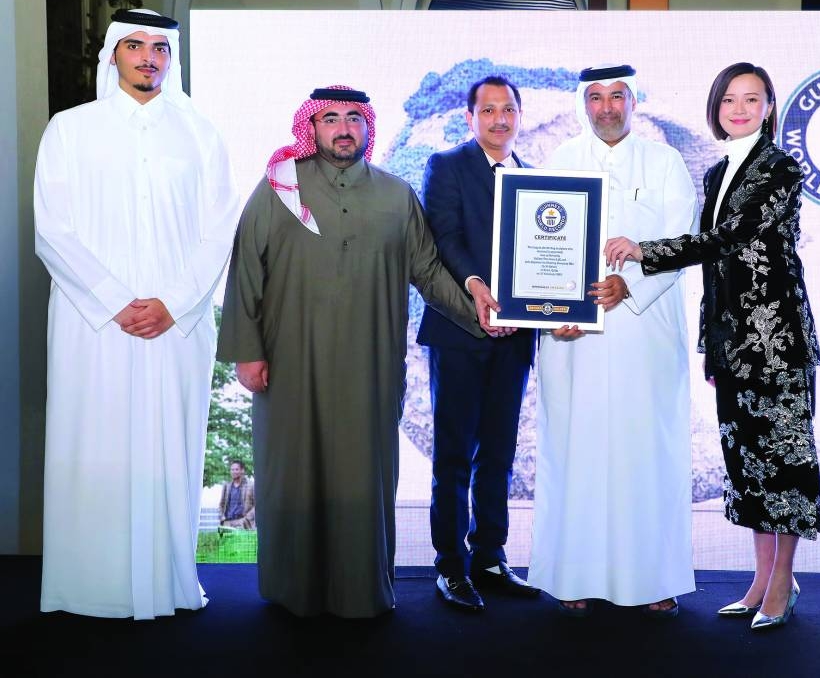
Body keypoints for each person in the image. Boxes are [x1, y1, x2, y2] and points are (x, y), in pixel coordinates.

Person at [216, 85, 488, 619]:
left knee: (364, 477)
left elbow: (429, 272)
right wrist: (247, 352)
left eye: (354, 119)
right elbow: (246, 267)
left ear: (368, 128)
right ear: (311, 127)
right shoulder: (279, 189)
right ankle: (293, 589)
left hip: (371, 363)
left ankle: (362, 591)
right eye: (331, 119)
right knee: (292, 471)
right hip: (290, 362)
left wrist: (479, 315)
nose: (343, 128)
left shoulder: (395, 193)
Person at [33, 9, 241, 619]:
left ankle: (167, 583)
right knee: (92, 449)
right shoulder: (70, 130)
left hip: (177, 327)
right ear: (113, 54)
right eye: (136, 46)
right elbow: (53, 230)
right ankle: (89, 587)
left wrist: (172, 303)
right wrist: (115, 300)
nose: (149, 58)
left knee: (169, 452)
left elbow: (218, 229)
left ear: (170, 59)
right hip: (90, 324)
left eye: (159, 48)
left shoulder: (200, 134)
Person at [605, 62, 820, 630]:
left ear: (770, 107)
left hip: (776, 340)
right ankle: (759, 579)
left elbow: (728, 238)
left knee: (783, 461)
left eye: (752, 99)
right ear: (716, 106)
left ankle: (783, 582)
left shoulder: (780, 166)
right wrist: (711, 342)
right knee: (747, 462)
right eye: (730, 98)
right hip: (732, 342)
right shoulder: (716, 171)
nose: (740, 109)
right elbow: (717, 272)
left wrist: (645, 250)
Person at [528, 64, 699, 618]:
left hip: (643, 332)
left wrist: (631, 283)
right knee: (575, 450)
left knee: (645, 452)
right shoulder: (560, 161)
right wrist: (557, 306)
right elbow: (541, 248)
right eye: (596, 97)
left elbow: (681, 244)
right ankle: (572, 575)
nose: (606, 107)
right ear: (584, 103)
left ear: (633, 101)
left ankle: (653, 579)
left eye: (617, 96)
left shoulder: (664, 161)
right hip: (572, 339)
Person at [417, 75, 539, 612]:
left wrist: (542, 305)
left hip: (514, 337)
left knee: (499, 452)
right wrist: (477, 289)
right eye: (487, 110)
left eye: (507, 109)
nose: (498, 119)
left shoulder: (535, 178)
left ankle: (490, 556)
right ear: (470, 118)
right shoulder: (446, 166)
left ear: (519, 116)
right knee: (453, 455)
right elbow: (443, 237)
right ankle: (450, 566)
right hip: (461, 331)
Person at [218, 460, 256, 529]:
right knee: (227, 540)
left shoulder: (251, 485)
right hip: (227, 522)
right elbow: (221, 504)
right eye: (232, 470)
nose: (234, 472)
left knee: (242, 540)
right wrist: (222, 517)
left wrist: (246, 519)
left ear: (242, 471)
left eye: (236, 469)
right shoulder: (227, 485)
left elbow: (257, 506)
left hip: (243, 523)